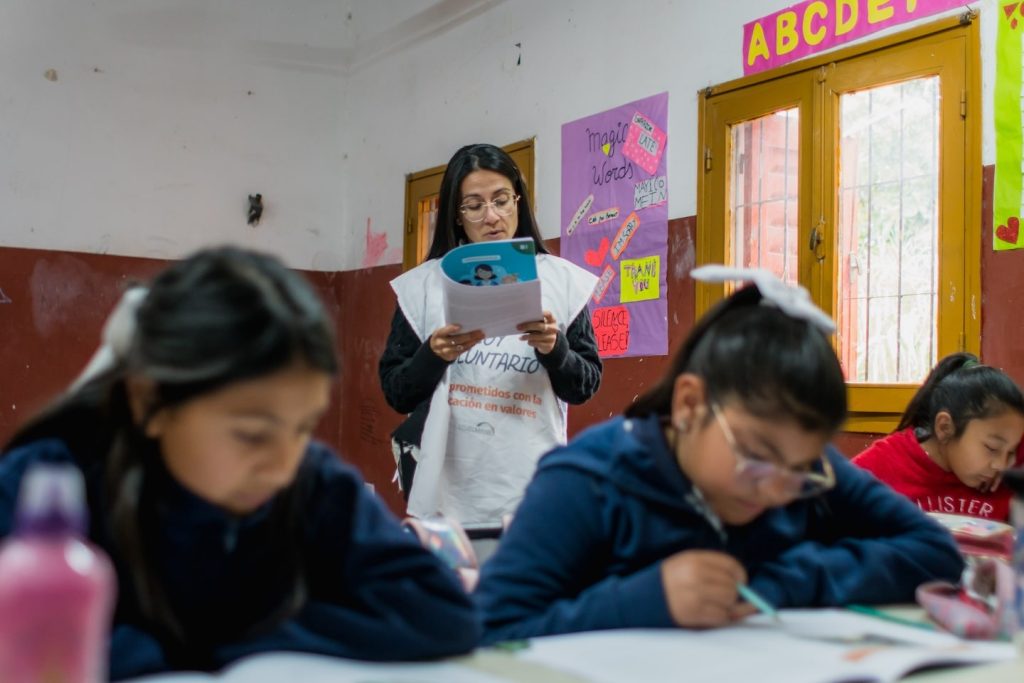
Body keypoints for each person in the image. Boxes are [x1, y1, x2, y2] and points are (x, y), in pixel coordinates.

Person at [0, 247, 480, 680]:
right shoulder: (48, 484)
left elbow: (441, 611)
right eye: (252, 434)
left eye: (302, 427)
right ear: (150, 403)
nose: (281, 464)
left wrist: (242, 645)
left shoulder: (309, 477)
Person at [474, 266, 963, 643]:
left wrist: (785, 582)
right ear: (690, 405)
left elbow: (936, 554)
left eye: (799, 471)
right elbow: (488, 628)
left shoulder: (807, 468)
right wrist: (645, 600)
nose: (776, 491)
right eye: (756, 455)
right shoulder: (588, 481)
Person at [379, 143, 602, 529]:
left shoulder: (561, 281)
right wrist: (433, 354)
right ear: (457, 215)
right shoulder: (424, 287)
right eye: (475, 205)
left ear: (518, 200)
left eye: (501, 200)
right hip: (448, 501)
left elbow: (585, 386)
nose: (492, 216)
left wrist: (555, 350)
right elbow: (397, 393)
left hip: (533, 495)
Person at [852, 353, 1024, 521]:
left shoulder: (1006, 467)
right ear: (945, 427)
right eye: (992, 448)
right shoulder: (879, 468)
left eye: (1011, 452)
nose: (1001, 465)